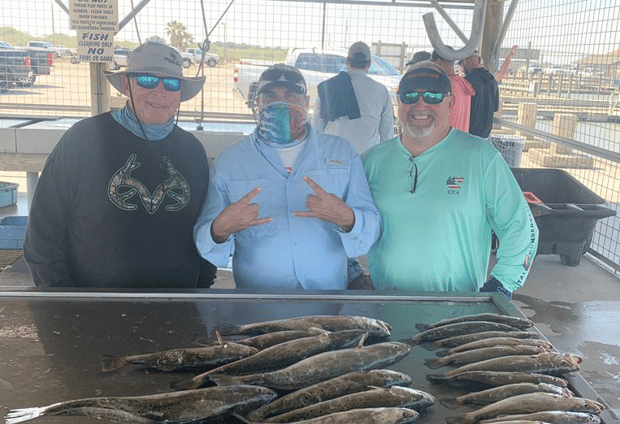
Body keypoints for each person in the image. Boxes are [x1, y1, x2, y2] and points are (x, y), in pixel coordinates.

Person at [23, 41, 216, 288]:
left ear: (180, 93)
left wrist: (200, 290)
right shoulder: (83, 139)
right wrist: (64, 302)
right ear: (126, 85)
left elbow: (204, 226)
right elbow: (42, 232)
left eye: (171, 83)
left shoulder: (193, 151)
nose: (160, 91)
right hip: (95, 308)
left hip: (178, 303)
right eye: (147, 80)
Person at [194, 64, 380, 290]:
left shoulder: (342, 152)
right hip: (259, 304)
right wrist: (219, 230)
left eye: (290, 95)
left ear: (306, 101)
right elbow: (204, 238)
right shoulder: (230, 161)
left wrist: (348, 218)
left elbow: (372, 225)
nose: (280, 102)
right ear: (257, 103)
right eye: (270, 96)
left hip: (328, 300)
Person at [361, 61, 538, 299]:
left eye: (433, 96)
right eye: (410, 95)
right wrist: (351, 271)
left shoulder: (481, 158)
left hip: (456, 307)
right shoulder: (372, 161)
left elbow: (521, 227)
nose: (420, 104)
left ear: (451, 103)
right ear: (399, 101)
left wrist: (502, 283)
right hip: (386, 305)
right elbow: (341, 219)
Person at [311, 41, 394, 155]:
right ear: (369, 63)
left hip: (333, 157)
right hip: (366, 160)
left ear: (347, 61)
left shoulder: (328, 87)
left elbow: (316, 128)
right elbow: (387, 135)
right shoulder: (381, 90)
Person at [431, 47, 475, 133]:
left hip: (445, 141)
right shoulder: (463, 83)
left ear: (438, 62)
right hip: (460, 138)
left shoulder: (443, 85)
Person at [459, 51, 500, 138]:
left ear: (464, 61)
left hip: (469, 134)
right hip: (486, 134)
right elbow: (495, 107)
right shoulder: (492, 80)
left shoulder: (466, 82)